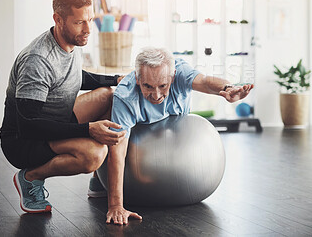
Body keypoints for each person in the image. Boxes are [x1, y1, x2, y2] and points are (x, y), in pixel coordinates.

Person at [0, 0, 126, 214]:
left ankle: (100, 178)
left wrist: (116, 79)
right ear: (58, 19)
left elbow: (75, 77)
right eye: (79, 22)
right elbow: (28, 126)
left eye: (90, 20)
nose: (88, 29)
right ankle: (30, 177)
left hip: (57, 121)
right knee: (94, 154)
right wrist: (88, 129)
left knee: (108, 95)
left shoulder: (71, 40)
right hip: (25, 141)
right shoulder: (37, 60)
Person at [91, 47, 253, 225]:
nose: (157, 95)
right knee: (111, 122)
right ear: (137, 79)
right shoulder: (126, 96)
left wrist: (228, 88)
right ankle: (98, 177)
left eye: (163, 86)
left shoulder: (180, 72)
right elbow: (117, 152)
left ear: (173, 76)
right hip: (138, 139)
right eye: (147, 86)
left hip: (174, 137)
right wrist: (115, 206)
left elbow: (206, 82)